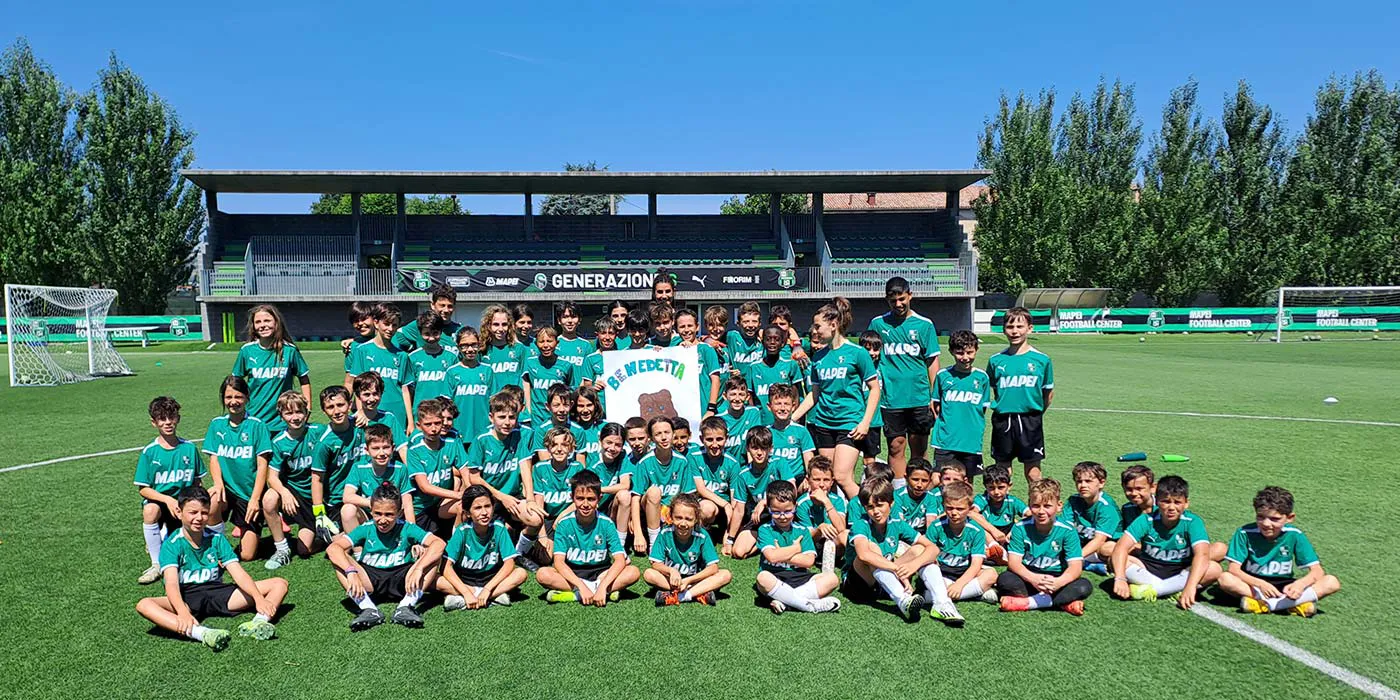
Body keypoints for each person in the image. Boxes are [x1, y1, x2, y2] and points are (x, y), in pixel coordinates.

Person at [136, 486, 286, 651]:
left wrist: (258, 598)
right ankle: (203, 633)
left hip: (218, 593)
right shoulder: (172, 544)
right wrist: (182, 612)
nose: (199, 518)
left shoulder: (217, 539)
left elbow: (238, 573)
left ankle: (258, 623)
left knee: (279, 584)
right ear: (179, 512)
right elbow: (171, 583)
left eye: (204, 513)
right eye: (193, 512)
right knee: (144, 604)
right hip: (187, 598)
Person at [794, 298, 880, 499]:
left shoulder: (857, 353)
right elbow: (814, 394)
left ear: (833, 325)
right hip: (824, 425)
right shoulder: (818, 357)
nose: (814, 331)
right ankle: (837, 515)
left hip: (849, 424)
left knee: (842, 476)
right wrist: (792, 418)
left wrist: (865, 423)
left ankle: (867, 511)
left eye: (818, 326)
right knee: (828, 478)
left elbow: (874, 389)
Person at [327, 483, 444, 630]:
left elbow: (439, 544)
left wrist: (419, 568)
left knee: (434, 555)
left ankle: (406, 607)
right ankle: (368, 609)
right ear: (371, 511)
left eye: (389, 514)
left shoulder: (407, 527)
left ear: (399, 513)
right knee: (338, 558)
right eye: (378, 513)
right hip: (370, 578)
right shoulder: (366, 528)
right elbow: (333, 549)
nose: (382, 520)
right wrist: (351, 572)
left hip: (404, 578)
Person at [1217, 486, 1341, 617]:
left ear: (1290, 517)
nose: (1266, 523)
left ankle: (1265, 605)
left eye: (1274, 519)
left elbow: (1317, 571)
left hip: (1285, 585)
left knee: (1331, 582)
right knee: (1225, 579)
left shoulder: (1295, 534)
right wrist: (1260, 584)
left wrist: (1300, 584)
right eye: (1260, 517)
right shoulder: (1244, 533)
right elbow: (1233, 570)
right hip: (1253, 584)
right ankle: (1292, 605)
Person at [865, 277, 940, 487]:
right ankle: (899, 493)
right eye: (893, 301)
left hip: (919, 398)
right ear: (886, 300)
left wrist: (935, 396)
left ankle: (920, 491)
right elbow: (868, 354)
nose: (898, 304)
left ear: (910, 296)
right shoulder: (878, 324)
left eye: (902, 299)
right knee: (896, 446)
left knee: (919, 448)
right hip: (891, 398)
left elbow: (932, 362)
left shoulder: (924, 325)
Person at [1110, 475, 1221, 608]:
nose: (1171, 507)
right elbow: (1121, 548)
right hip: (1148, 568)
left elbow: (1202, 554)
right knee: (1114, 560)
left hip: (1180, 570)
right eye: (1166, 501)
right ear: (1157, 502)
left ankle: (1155, 590)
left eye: (1177, 502)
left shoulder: (1193, 522)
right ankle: (1173, 589)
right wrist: (1120, 578)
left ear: (1186, 503)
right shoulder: (1146, 520)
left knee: (1214, 569)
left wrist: (1190, 587)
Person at [844, 475, 943, 622]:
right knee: (872, 548)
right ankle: (903, 600)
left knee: (919, 549)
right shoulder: (861, 524)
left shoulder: (896, 523)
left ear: (891, 503)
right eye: (870, 507)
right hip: (859, 585)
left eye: (880, 505)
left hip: (884, 580)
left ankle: (942, 602)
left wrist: (912, 565)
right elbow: (864, 555)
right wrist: (898, 570)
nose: (875, 511)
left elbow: (933, 548)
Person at [537, 470, 641, 605]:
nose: (585, 504)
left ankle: (577, 595)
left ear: (599, 498)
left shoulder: (607, 523)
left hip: (601, 573)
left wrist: (603, 585)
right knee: (543, 574)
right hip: (573, 574)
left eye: (591, 499)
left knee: (633, 572)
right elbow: (559, 562)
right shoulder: (564, 524)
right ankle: (598, 592)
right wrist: (581, 586)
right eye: (580, 498)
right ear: (572, 497)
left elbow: (620, 560)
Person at [135, 396, 207, 584]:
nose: (167, 422)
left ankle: (170, 536)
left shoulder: (189, 448)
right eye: (162, 418)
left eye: (171, 417)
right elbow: (143, 489)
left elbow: (198, 482)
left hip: (183, 504)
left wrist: (193, 506)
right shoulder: (150, 452)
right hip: (161, 503)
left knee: (186, 553)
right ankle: (156, 564)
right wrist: (167, 500)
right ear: (154, 422)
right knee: (150, 510)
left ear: (178, 419)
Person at [204, 376, 274, 561]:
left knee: (247, 555)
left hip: (249, 494)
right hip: (227, 491)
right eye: (228, 397)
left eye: (238, 397)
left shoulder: (257, 426)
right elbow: (214, 458)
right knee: (212, 499)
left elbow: (262, 466)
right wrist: (218, 483)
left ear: (247, 397)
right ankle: (217, 546)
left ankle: (249, 528)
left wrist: (255, 499)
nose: (233, 402)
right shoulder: (216, 424)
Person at [997, 478, 1092, 615]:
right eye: (1036, 506)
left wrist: (1059, 582)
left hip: (1056, 578)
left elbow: (1075, 567)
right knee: (1005, 580)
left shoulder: (1068, 531)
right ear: (1029, 505)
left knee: (1084, 586)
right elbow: (1014, 563)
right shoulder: (1020, 527)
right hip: (1028, 576)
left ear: (1059, 506)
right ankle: (1062, 603)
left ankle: (1029, 603)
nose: (1041, 511)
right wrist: (1033, 579)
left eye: (1047, 506)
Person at [754, 481, 841, 614]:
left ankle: (784, 602)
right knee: (762, 578)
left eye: (788, 511)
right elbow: (772, 557)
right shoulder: (765, 529)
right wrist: (796, 549)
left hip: (800, 577)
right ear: (769, 509)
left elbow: (808, 561)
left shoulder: (802, 530)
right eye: (776, 512)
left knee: (832, 579)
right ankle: (809, 606)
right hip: (775, 577)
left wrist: (781, 553)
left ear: (795, 506)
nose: (782, 516)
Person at [988, 306, 1053, 483]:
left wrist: (1035, 413)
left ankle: (1037, 502)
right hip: (1003, 420)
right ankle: (1002, 502)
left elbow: (1048, 393)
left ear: (1029, 328)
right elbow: (994, 390)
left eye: (1019, 326)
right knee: (1002, 471)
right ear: (1004, 329)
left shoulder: (1042, 360)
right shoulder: (995, 360)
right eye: (1010, 327)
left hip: (1030, 420)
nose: (1014, 331)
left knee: (1033, 473)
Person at [436, 485, 528, 610]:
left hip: (491, 579)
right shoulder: (462, 531)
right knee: (434, 580)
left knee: (521, 574)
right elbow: (446, 567)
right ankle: (491, 597)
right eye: (478, 508)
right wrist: (466, 592)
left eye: (487, 506)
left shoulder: (499, 528)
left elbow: (509, 563)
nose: (484, 513)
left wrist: (488, 589)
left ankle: (466, 599)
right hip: (465, 580)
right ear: (468, 513)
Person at [262, 391, 326, 570]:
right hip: (295, 496)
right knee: (269, 498)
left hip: (318, 495)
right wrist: (285, 493)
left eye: (299, 411)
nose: (295, 417)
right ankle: (282, 550)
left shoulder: (319, 431)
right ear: (281, 415)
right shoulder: (279, 442)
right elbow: (271, 477)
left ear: (306, 412)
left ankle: (324, 537)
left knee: (305, 549)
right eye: (289, 413)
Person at [464, 393, 542, 535]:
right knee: (501, 531)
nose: (507, 422)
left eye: (511, 417)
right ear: (491, 417)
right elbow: (474, 478)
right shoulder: (481, 440)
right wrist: (501, 497)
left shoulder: (518, 435)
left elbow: (525, 468)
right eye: (501, 417)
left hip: (512, 496)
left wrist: (530, 500)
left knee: (536, 519)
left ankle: (522, 547)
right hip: (488, 498)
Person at [231, 304, 311, 432]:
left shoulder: (290, 350)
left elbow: (304, 379)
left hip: (283, 421)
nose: (263, 325)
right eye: (258, 322)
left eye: (267, 320)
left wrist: (307, 407)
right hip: (254, 419)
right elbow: (235, 383)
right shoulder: (247, 351)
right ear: (253, 326)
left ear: (276, 323)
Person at [645, 493, 732, 606]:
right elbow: (656, 564)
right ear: (671, 516)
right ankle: (698, 592)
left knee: (725, 575)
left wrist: (689, 580)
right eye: (678, 518)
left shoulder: (702, 536)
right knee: (649, 574)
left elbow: (713, 567)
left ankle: (680, 596)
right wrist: (671, 571)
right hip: (672, 580)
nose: (683, 523)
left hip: (696, 580)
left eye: (688, 519)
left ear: (696, 519)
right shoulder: (665, 533)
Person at [926, 481, 999, 611]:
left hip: (965, 572)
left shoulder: (976, 530)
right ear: (943, 505)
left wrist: (959, 584)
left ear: (970, 509)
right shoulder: (936, 526)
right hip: (942, 572)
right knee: (927, 573)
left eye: (960, 509)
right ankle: (972, 593)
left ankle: (937, 596)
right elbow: (927, 554)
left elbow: (976, 564)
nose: (954, 513)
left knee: (991, 574)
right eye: (949, 508)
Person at [931, 330, 991, 478]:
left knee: (966, 481)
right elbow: (936, 405)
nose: (965, 357)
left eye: (969, 352)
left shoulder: (982, 377)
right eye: (959, 353)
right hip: (946, 440)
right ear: (951, 351)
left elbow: (982, 408)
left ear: (976, 350)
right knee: (939, 478)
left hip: (971, 440)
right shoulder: (943, 375)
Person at [344, 303, 413, 431]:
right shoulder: (362, 351)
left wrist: (410, 422)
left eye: (394, 325)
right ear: (376, 323)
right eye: (386, 324)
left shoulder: (402, 356)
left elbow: (405, 389)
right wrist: (360, 411)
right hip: (370, 412)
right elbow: (357, 385)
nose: (390, 329)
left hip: (398, 412)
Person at [406, 398, 467, 534]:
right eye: (428, 424)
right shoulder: (415, 450)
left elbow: (465, 472)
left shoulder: (452, 443)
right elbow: (425, 487)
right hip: (422, 509)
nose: (433, 429)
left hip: (443, 503)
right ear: (419, 425)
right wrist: (458, 495)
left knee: (466, 506)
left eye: (437, 423)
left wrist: (469, 492)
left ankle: (458, 542)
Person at [341, 424, 416, 532]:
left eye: (386, 447)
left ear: (393, 448)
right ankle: (357, 543)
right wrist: (375, 504)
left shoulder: (400, 469)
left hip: (391, 518)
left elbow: (407, 503)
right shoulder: (358, 468)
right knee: (347, 510)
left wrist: (412, 533)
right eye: (375, 448)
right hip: (368, 516)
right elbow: (347, 496)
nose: (381, 453)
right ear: (367, 450)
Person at [310, 386, 362, 540]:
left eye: (340, 405)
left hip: (364, 491)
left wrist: (363, 413)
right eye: (330, 407)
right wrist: (319, 514)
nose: (337, 411)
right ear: (323, 410)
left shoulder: (360, 425)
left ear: (350, 404)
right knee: (342, 540)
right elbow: (317, 479)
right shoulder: (324, 442)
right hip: (338, 500)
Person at [633, 417, 687, 550]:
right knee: (654, 491)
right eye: (658, 434)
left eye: (667, 432)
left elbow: (687, 495)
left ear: (673, 434)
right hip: (651, 508)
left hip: (672, 509)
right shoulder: (644, 463)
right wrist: (638, 534)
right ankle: (654, 543)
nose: (663, 437)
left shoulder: (682, 461)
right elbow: (635, 498)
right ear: (651, 438)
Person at [1061, 461, 1122, 576]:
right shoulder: (1073, 500)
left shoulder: (1107, 508)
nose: (1083, 485)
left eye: (1088, 481)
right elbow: (1065, 529)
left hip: (1101, 547)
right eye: (1079, 481)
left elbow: (1099, 540)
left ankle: (1083, 562)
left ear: (1101, 483)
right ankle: (1086, 563)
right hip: (1081, 544)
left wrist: (1075, 557)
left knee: (1108, 549)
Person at [726, 426, 777, 558]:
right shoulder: (743, 474)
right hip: (758, 520)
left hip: (780, 517)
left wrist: (764, 502)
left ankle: (773, 537)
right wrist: (730, 540)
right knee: (738, 552)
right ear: (748, 449)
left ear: (770, 449)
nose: (759, 453)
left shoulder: (778, 464)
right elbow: (739, 509)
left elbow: (791, 490)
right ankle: (766, 540)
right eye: (755, 448)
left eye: (764, 448)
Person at [795, 456, 848, 575]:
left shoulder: (837, 500)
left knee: (845, 534)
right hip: (812, 546)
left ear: (832, 481)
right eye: (817, 480)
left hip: (834, 543)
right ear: (808, 480)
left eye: (826, 480)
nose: (822, 484)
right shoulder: (802, 504)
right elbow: (807, 537)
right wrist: (819, 530)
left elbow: (841, 529)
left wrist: (826, 502)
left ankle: (851, 565)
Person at [683, 416, 738, 528]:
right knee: (707, 508)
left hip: (724, 506)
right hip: (703, 502)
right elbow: (701, 489)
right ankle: (698, 534)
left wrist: (730, 510)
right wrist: (725, 504)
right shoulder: (693, 456)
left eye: (719, 439)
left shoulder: (733, 463)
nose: (715, 444)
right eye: (709, 440)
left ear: (726, 438)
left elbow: (734, 499)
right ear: (701, 439)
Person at [969, 465, 1029, 565]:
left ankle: (997, 555)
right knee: (973, 521)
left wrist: (1014, 530)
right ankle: (994, 549)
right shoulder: (982, 499)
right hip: (988, 537)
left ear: (1009, 486)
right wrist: (994, 531)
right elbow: (970, 513)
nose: (996, 492)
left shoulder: (1013, 501)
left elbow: (1031, 514)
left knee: (1028, 527)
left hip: (1007, 537)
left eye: (1001, 487)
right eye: (991, 488)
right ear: (985, 486)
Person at [446, 325, 496, 445]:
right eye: (464, 345)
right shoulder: (452, 372)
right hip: (459, 431)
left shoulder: (487, 370)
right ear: (458, 347)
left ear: (479, 345)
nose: (470, 349)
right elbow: (446, 405)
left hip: (483, 430)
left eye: (474, 345)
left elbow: (494, 402)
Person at [522, 328, 576, 435]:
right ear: (536, 343)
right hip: (537, 417)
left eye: (549, 341)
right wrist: (528, 410)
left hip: (559, 417)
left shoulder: (566, 365)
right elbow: (526, 385)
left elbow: (571, 388)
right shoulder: (530, 363)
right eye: (541, 341)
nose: (545, 345)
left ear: (557, 342)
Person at [747, 326, 805, 423]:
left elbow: (796, 395)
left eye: (777, 339)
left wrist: (795, 418)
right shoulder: (753, 367)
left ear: (782, 343)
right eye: (768, 339)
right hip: (762, 423)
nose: (772, 342)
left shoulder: (791, 365)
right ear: (763, 342)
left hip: (785, 422)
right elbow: (750, 397)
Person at [405, 312, 458, 412]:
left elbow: (455, 390)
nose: (431, 338)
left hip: (444, 414)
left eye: (435, 333)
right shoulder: (412, 358)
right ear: (420, 333)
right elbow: (408, 391)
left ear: (441, 331)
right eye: (427, 334)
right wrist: (410, 418)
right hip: (421, 415)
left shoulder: (451, 357)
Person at [676, 307, 722, 417]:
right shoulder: (675, 350)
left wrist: (711, 408)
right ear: (677, 329)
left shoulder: (706, 349)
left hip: (704, 408)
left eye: (690, 326)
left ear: (697, 327)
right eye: (682, 327)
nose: (686, 330)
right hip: (682, 409)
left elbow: (715, 379)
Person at [764, 383, 814, 483]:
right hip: (773, 481)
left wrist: (808, 479)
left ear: (793, 406)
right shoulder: (765, 432)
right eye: (778, 404)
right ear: (769, 406)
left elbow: (809, 462)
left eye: (786, 404)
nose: (783, 408)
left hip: (797, 479)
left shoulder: (801, 431)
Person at [351, 371, 407, 455]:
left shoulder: (389, 419)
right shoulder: (351, 422)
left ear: (381, 394)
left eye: (375, 394)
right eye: (366, 394)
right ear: (358, 396)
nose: (372, 399)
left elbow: (402, 448)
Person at [393, 283, 460, 352]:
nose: (446, 310)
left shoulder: (459, 330)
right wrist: (409, 350)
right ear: (433, 305)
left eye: (450, 306)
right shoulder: (421, 324)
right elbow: (398, 334)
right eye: (442, 305)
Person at [481, 304, 529, 393]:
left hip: (515, 399)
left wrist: (527, 402)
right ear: (488, 326)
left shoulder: (519, 348)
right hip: (491, 399)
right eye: (496, 324)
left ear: (510, 326)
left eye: (504, 324)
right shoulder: (482, 350)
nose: (500, 329)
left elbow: (525, 380)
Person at [718, 375, 763, 466]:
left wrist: (751, 469)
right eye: (733, 394)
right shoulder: (719, 419)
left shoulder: (753, 413)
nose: (737, 399)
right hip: (726, 466)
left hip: (746, 465)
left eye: (741, 394)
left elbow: (755, 443)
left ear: (747, 396)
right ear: (725, 396)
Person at [892, 458, 941, 530]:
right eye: (915, 479)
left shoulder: (930, 497)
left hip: (921, 534)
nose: (919, 485)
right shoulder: (897, 496)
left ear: (930, 481)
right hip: (901, 534)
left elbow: (930, 524)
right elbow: (899, 525)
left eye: (924, 481)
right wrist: (916, 536)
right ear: (906, 478)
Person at [553, 300, 594, 386]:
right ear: (559, 320)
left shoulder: (586, 345)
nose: (570, 321)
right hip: (558, 392)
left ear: (579, 320)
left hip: (580, 392)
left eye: (573, 317)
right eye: (565, 317)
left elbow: (589, 373)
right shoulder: (553, 344)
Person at [726, 301, 765, 377]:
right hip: (739, 383)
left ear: (760, 324)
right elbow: (711, 339)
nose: (750, 325)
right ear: (738, 323)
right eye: (746, 322)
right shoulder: (732, 337)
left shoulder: (765, 339)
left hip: (758, 383)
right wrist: (727, 371)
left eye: (754, 321)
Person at [581, 318, 617, 393]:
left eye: (611, 333)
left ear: (616, 335)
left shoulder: (621, 357)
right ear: (597, 335)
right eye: (603, 333)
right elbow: (587, 387)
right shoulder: (590, 359)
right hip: (598, 399)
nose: (607, 337)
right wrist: (594, 387)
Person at [572, 384, 605, 460]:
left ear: (596, 405)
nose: (585, 410)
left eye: (589, 405)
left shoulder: (604, 427)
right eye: (581, 406)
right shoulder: (571, 428)